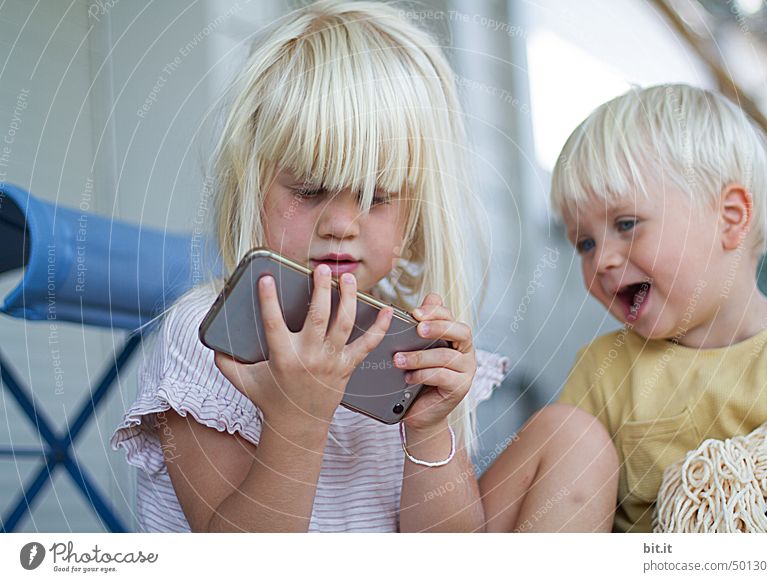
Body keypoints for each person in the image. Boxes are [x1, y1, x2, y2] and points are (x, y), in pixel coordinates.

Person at [112, 0, 512, 533]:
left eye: (376, 196)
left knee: (570, 438)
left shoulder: (404, 345)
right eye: (309, 189)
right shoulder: (209, 340)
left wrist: (429, 431)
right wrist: (298, 417)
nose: (342, 224)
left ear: (412, 215)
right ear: (252, 188)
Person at [550, 83, 767, 532]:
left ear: (730, 218)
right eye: (584, 242)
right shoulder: (600, 371)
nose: (601, 259)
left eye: (626, 224)